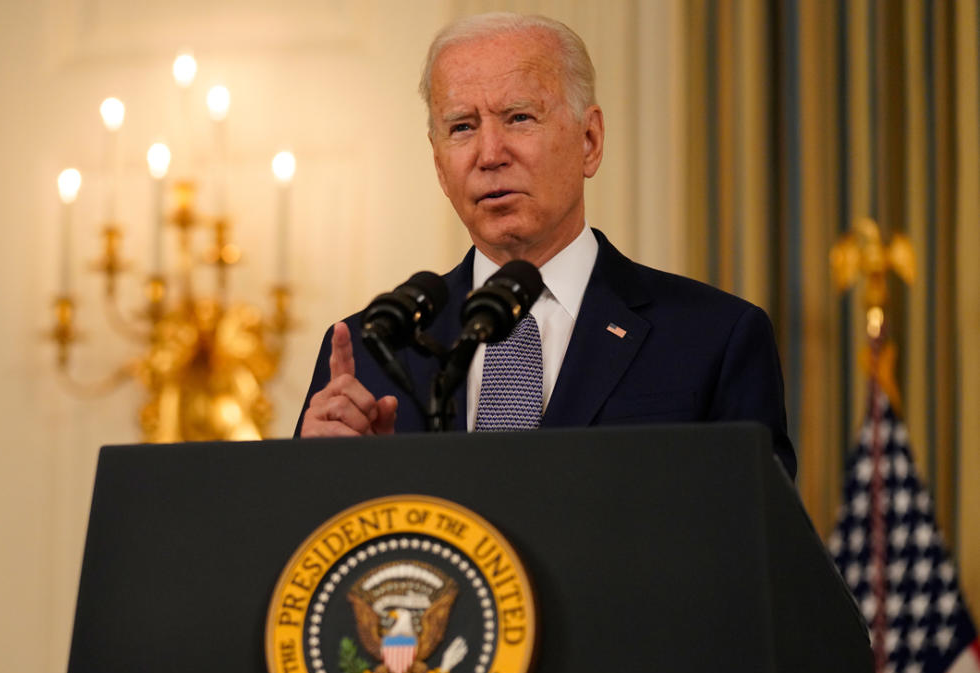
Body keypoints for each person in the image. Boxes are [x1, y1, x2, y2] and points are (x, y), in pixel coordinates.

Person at [295, 12, 796, 478]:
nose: (490, 154)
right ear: (438, 165)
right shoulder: (370, 349)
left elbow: (755, 552)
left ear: (590, 141)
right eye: (462, 127)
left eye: (519, 118)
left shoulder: (713, 338)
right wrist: (323, 482)